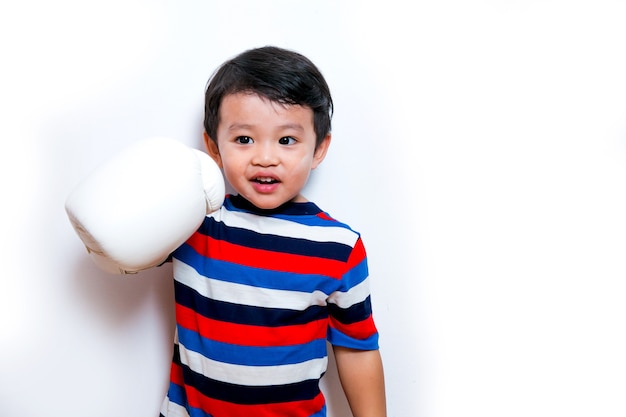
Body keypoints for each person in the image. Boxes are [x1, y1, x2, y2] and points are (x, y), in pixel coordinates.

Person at [160, 46, 386, 417]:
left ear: (319, 149)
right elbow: (122, 248)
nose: (265, 157)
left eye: (286, 140)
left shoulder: (338, 248)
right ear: (213, 148)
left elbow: (357, 349)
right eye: (244, 139)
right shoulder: (192, 224)